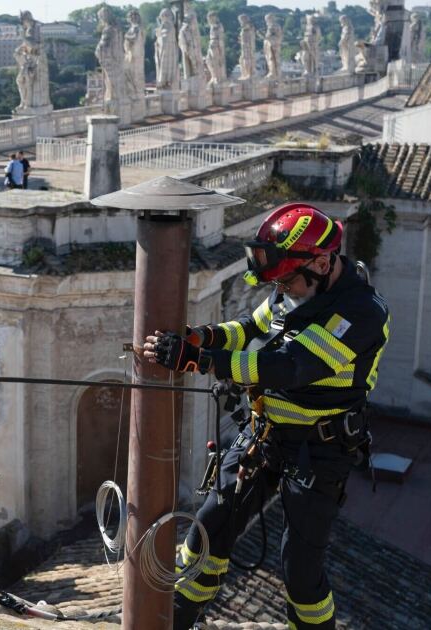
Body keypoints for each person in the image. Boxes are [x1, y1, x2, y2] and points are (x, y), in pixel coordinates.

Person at [142, 204, 390, 630]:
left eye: (287, 280)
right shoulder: (293, 285)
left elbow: (289, 366)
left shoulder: (362, 313)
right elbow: (254, 329)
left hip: (320, 450)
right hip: (265, 434)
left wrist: (201, 360)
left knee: (300, 571)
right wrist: (205, 336)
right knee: (207, 530)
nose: (281, 289)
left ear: (322, 262)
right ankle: (176, 619)